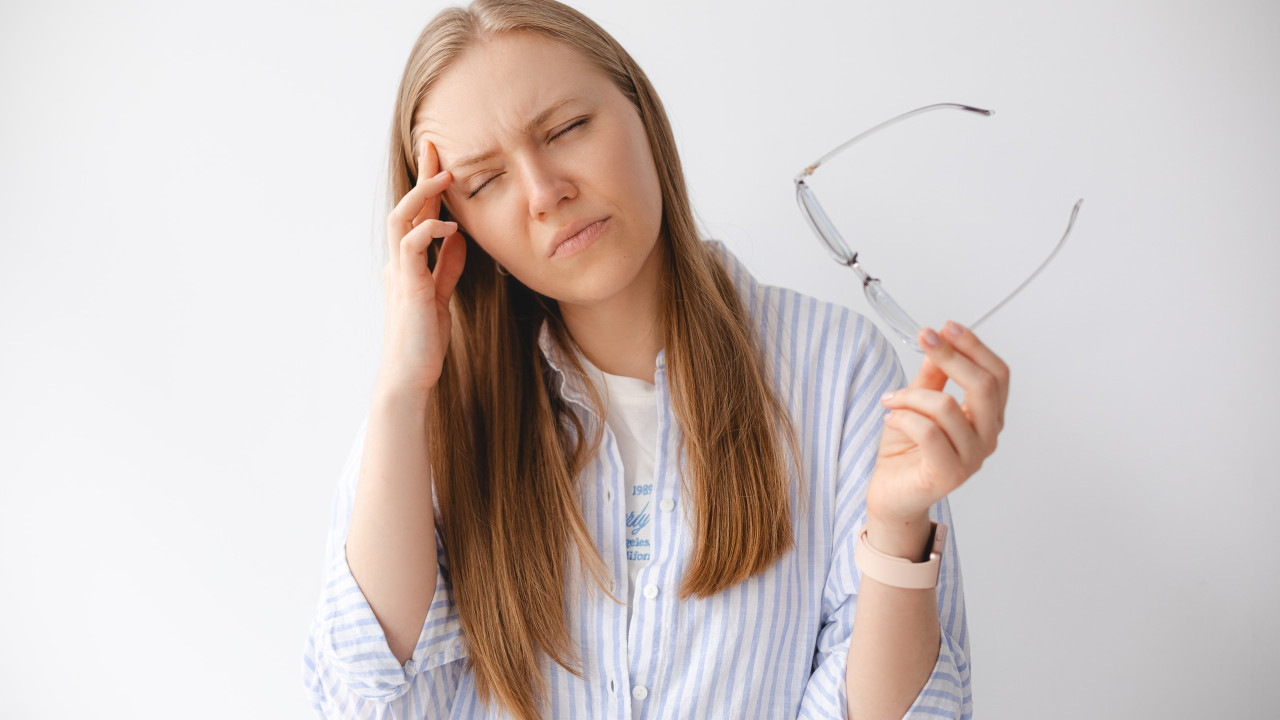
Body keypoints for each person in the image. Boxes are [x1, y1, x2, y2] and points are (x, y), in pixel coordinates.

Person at [302, 1, 1005, 718]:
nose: (547, 194)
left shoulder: (835, 368)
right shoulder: (431, 414)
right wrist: (401, 389)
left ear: (641, 111)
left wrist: (894, 527)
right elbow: (366, 702)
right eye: (485, 182)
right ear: (452, 227)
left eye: (568, 129)